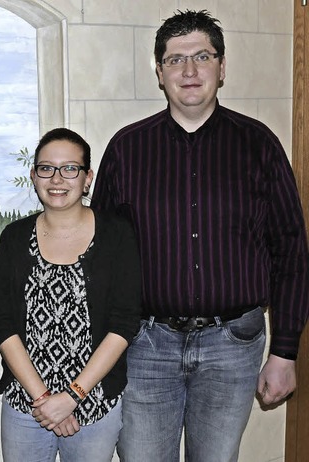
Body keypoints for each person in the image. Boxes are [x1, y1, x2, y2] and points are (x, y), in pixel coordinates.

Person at [91, 9, 309, 462]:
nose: (189, 71)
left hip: (234, 346)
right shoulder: (126, 150)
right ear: (159, 71)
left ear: (222, 67)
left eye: (202, 56)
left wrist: (285, 351)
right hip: (146, 349)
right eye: (175, 60)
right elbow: (101, 259)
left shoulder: (260, 145)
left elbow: (291, 250)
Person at [0, 128, 141, 462]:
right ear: (34, 175)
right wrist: (45, 399)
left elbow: (124, 323)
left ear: (87, 178)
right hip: (26, 404)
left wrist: (72, 397)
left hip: (95, 401)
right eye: (46, 168)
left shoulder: (117, 234)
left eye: (70, 168)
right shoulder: (15, 238)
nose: (57, 178)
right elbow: (1, 323)